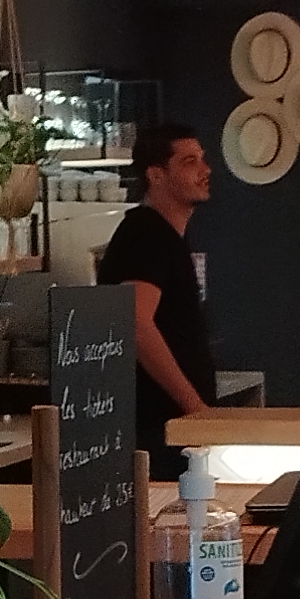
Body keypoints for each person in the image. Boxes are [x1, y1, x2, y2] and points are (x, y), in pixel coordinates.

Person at [96, 121, 218, 466]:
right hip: (157, 432)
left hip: (171, 428)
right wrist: (195, 408)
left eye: (203, 159)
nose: (205, 170)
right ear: (156, 175)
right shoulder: (145, 233)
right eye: (189, 162)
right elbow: (135, 322)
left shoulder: (165, 235)